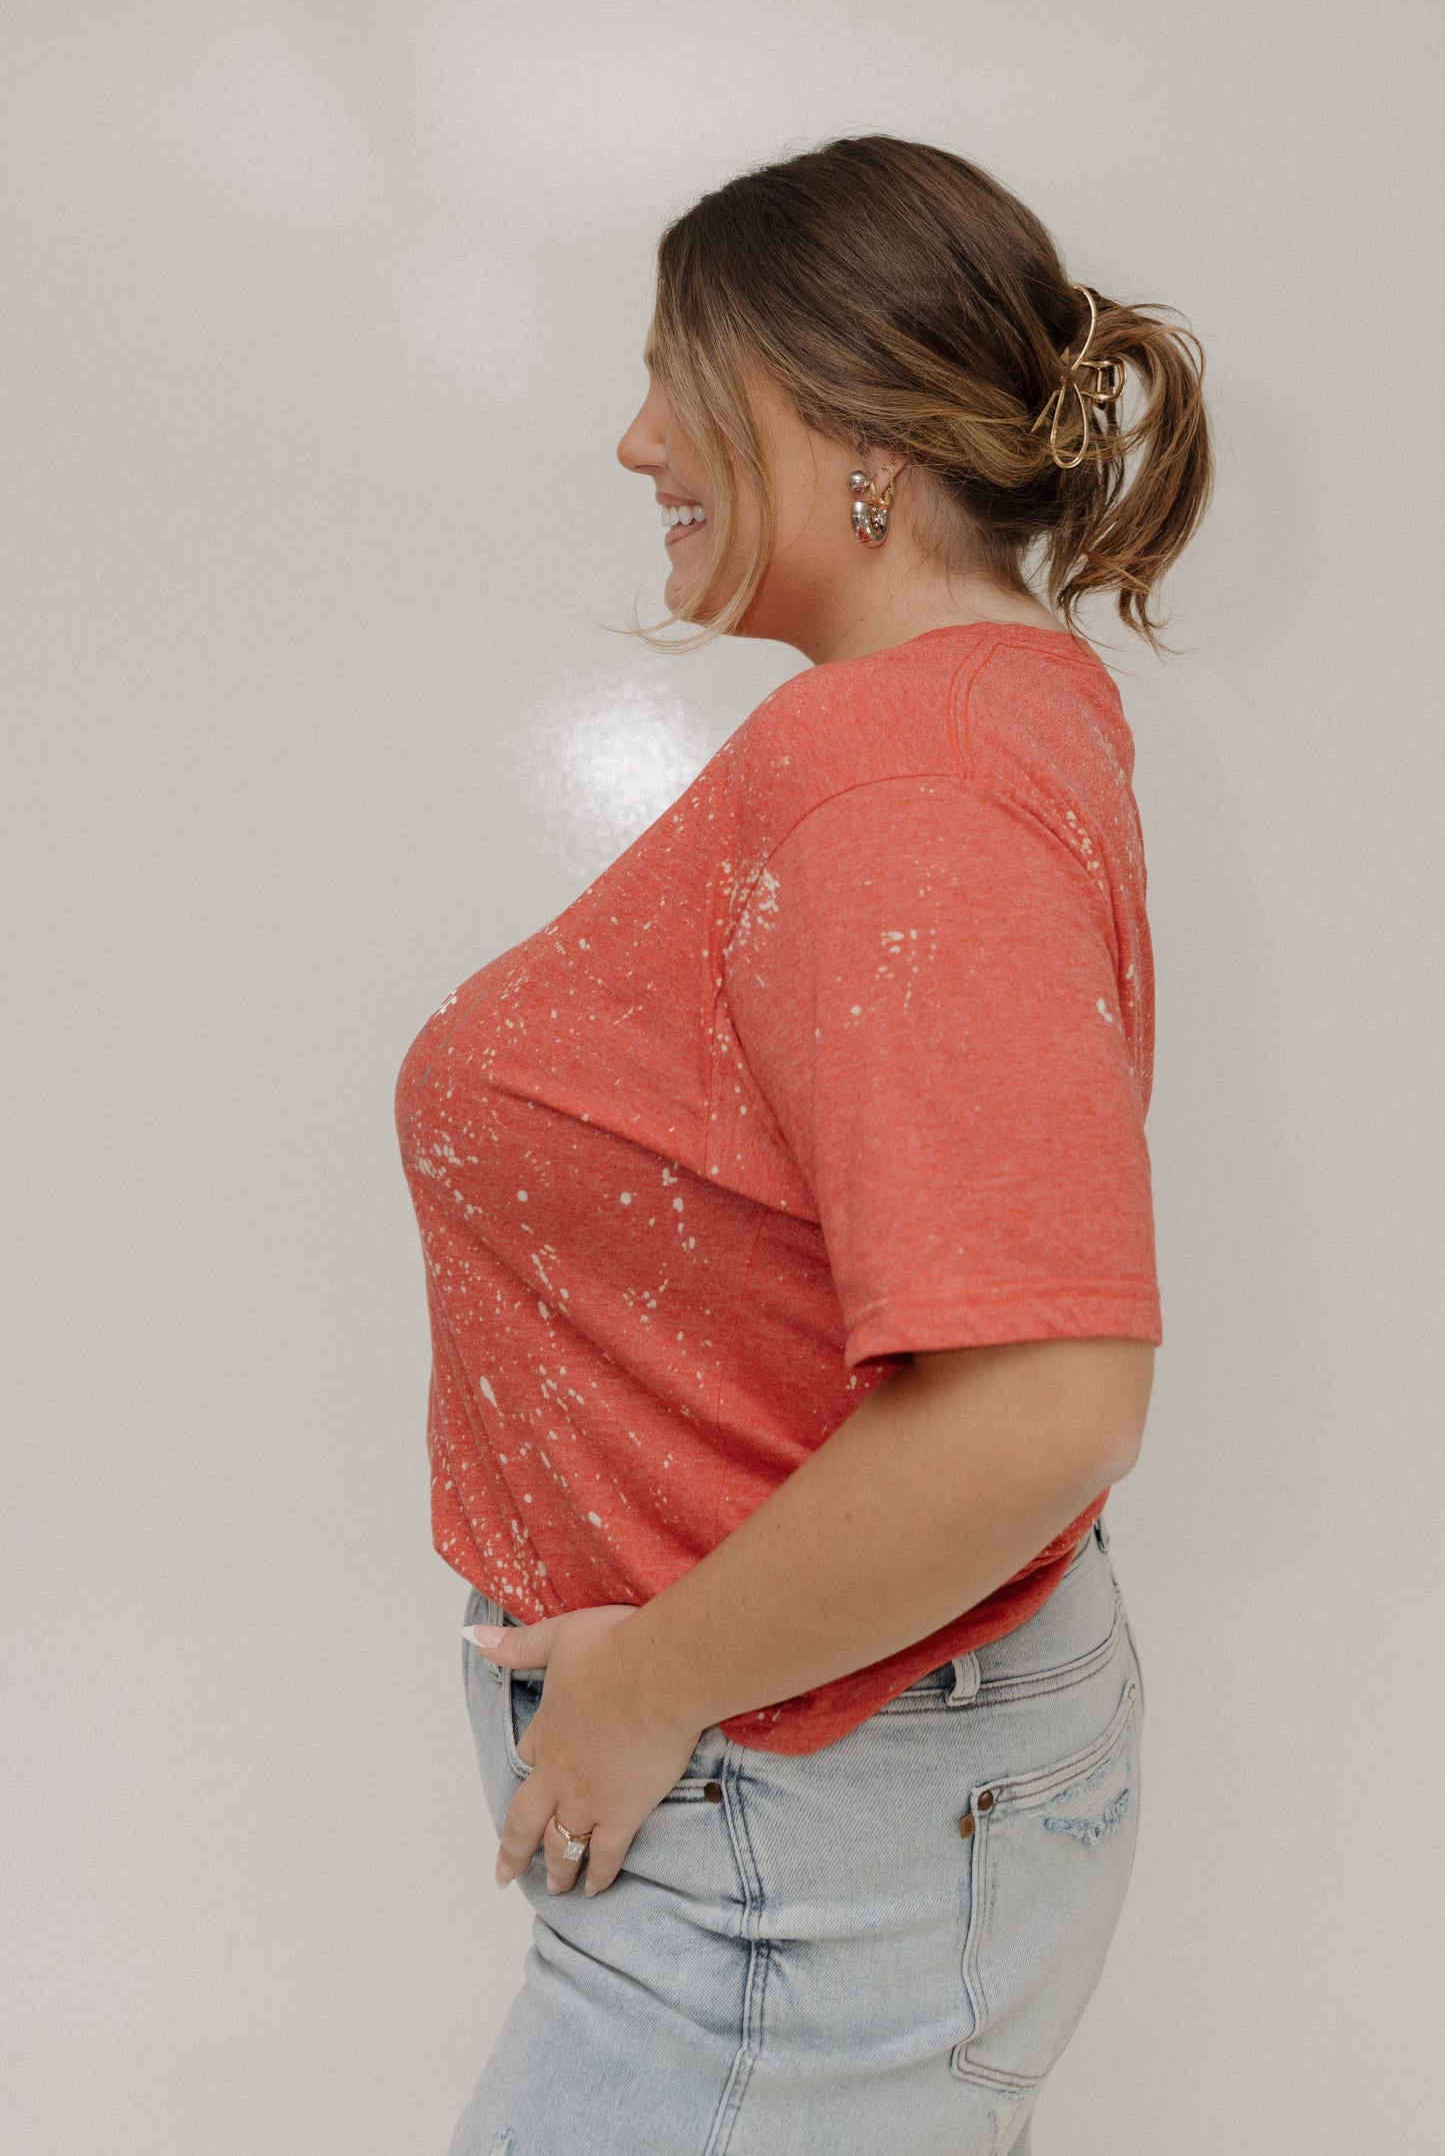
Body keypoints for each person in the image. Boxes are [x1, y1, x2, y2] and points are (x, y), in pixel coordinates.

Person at [396, 133, 1212, 2156]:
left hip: (807, 1813)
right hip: (833, 1795)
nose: (630, 439)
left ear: (844, 420)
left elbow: (1040, 1404)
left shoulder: (904, 771)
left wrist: (653, 1684)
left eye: (677, 373)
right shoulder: (984, 721)